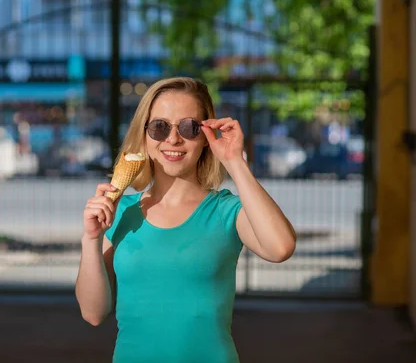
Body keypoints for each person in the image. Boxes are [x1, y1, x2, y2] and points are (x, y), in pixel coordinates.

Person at [75, 77, 296, 362]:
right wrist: (91, 239)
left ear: (206, 136)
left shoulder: (226, 211)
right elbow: (93, 313)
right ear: (144, 134)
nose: (173, 139)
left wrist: (234, 161)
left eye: (190, 127)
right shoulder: (120, 211)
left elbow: (281, 248)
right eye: (159, 127)